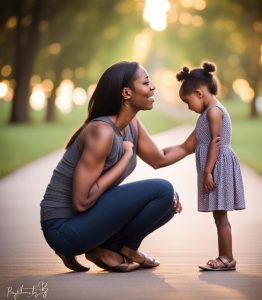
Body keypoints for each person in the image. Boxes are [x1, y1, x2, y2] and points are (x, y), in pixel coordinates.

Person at [40, 61, 221, 273]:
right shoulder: (102, 132)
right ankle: (107, 248)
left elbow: (159, 158)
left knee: (168, 200)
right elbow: (81, 201)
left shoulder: (131, 124)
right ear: (126, 92)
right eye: (145, 83)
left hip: (84, 222)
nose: (152, 87)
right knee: (162, 189)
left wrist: (204, 132)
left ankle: (111, 249)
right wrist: (126, 156)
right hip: (63, 228)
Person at [174, 61, 246, 271]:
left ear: (199, 93)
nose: (189, 107)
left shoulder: (214, 112)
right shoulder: (209, 112)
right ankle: (224, 256)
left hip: (217, 167)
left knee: (221, 216)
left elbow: (216, 141)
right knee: (219, 216)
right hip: (215, 166)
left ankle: (227, 258)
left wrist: (207, 172)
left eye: (188, 102)